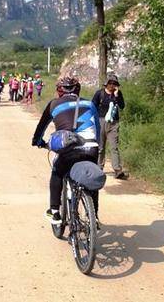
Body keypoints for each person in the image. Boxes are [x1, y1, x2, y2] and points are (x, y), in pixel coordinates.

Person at [31, 77, 101, 225]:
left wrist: (37, 141)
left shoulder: (53, 104)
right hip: (91, 148)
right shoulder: (90, 104)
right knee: (91, 176)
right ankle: (93, 216)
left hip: (68, 148)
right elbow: (98, 128)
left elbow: (41, 127)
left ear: (59, 91)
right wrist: (97, 145)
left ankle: (55, 212)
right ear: (78, 89)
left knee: (57, 172)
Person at [92, 74, 128, 180]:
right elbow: (92, 106)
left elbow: (122, 106)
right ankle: (99, 168)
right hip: (101, 121)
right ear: (106, 84)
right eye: (110, 83)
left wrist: (117, 96)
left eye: (115, 84)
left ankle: (117, 170)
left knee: (114, 147)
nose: (112, 85)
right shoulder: (99, 93)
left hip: (113, 123)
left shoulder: (118, 94)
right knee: (100, 147)